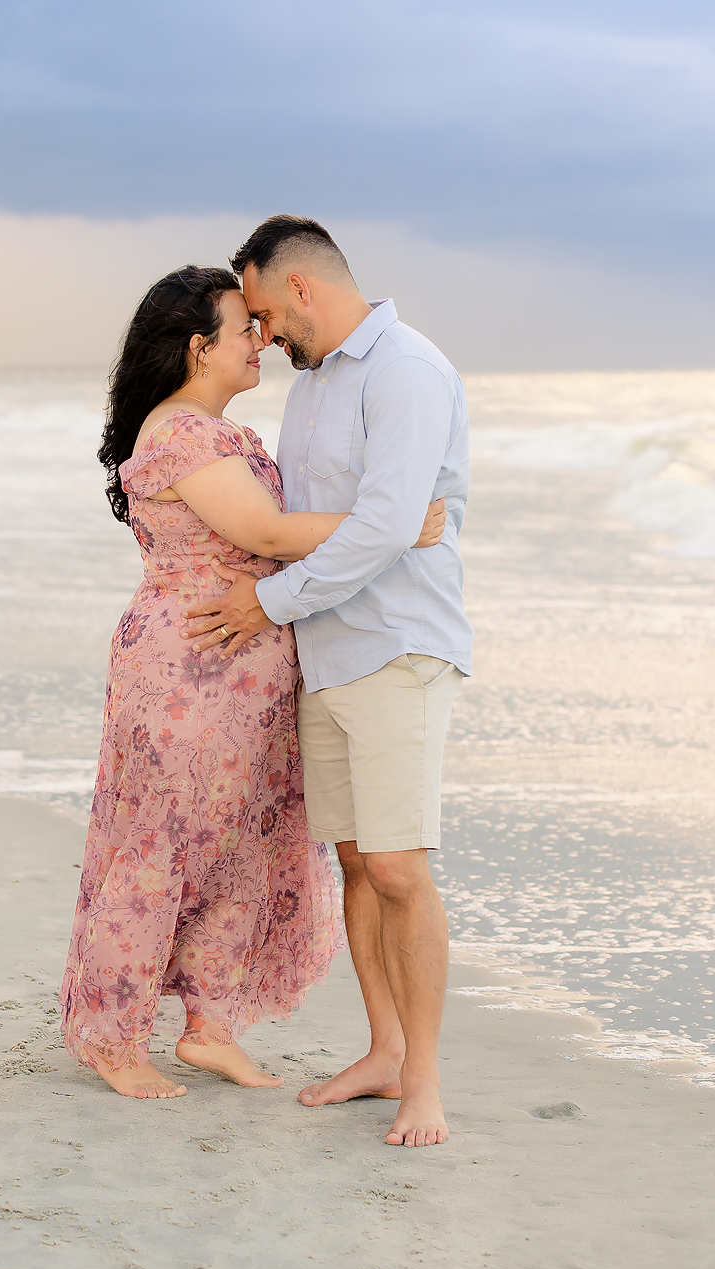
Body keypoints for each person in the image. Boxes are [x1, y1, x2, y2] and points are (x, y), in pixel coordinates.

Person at [59, 264, 447, 1100]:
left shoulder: (217, 430)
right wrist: (395, 524)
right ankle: (117, 1038)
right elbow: (263, 529)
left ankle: (211, 1027)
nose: (261, 339)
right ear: (200, 349)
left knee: (239, 848)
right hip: (191, 666)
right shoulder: (181, 435)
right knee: (160, 846)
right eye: (245, 328)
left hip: (251, 665)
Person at [182, 217, 472, 1147]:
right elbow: (313, 521)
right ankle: (383, 1049)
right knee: (353, 861)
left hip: (396, 646)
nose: (264, 335)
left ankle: (423, 1079)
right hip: (326, 651)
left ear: (302, 288)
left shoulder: (407, 370)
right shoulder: (309, 393)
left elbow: (386, 525)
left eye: (265, 312)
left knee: (397, 864)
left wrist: (268, 601)